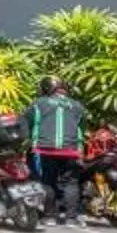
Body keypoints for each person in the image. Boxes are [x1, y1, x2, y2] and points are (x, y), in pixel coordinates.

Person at [28, 76, 87, 225]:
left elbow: (27, 122)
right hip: (71, 150)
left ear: (45, 88)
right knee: (71, 183)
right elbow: (82, 128)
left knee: (48, 181)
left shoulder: (39, 104)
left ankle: (49, 217)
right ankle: (71, 219)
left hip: (45, 149)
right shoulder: (77, 106)